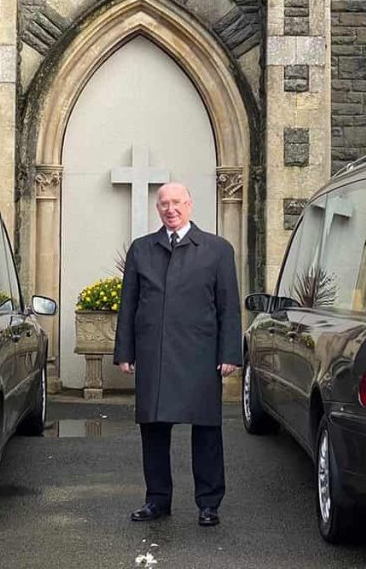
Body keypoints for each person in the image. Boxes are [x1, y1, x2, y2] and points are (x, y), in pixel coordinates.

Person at [114, 182, 242, 527]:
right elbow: (129, 305)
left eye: (177, 203)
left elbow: (229, 307)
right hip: (154, 353)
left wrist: (230, 352)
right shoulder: (142, 250)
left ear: (190, 204)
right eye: (164, 204)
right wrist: (125, 350)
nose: (171, 209)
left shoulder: (217, 250)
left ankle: (209, 503)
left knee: (206, 430)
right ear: (157, 209)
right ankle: (157, 500)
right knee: (153, 430)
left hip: (200, 354)